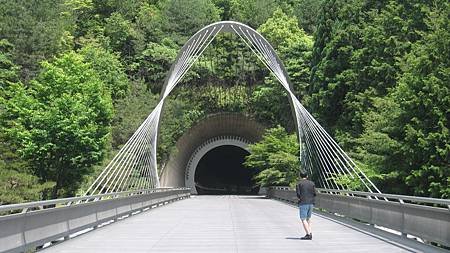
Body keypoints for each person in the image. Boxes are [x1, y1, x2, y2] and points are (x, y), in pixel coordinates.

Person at [296, 171, 316, 240]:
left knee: (303, 219)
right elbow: (314, 193)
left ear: (300, 176)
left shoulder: (299, 184)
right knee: (308, 218)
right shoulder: (312, 183)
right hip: (311, 203)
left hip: (303, 203)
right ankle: (309, 232)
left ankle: (308, 234)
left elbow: (298, 194)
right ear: (307, 176)